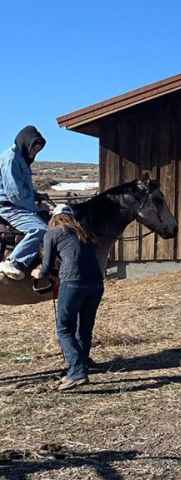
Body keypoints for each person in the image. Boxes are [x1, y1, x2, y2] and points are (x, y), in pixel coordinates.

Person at [35, 209, 104, 390]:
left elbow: (46, 267)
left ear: (53, 218)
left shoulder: (53, 233)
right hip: (97, 284)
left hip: (73, 284)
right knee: (85, 327)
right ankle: (81, 366)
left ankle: (77, 372)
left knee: (64, 328)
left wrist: (38, 273)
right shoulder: (85, 233)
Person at [0, 125, 48, 279]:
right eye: (34, 149)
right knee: (40, 229)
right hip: (9, 206)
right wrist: (34, 207)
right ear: (26, 143)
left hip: (19, 204)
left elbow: (23, 187)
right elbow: (15, 194)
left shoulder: (21, 159)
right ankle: (13, 261)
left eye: (37, 151)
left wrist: (36, 195)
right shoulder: (11, 159)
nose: (35, 153)